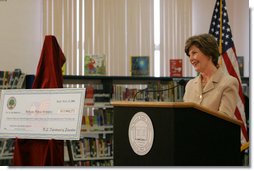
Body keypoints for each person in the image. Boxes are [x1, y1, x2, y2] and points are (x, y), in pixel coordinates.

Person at [183, 33, 238, 118]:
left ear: (208, 53)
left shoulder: (229, 83)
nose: (191, 59)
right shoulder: (190, 85)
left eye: (194, 53)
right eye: (189, 55)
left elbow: (225, 120)